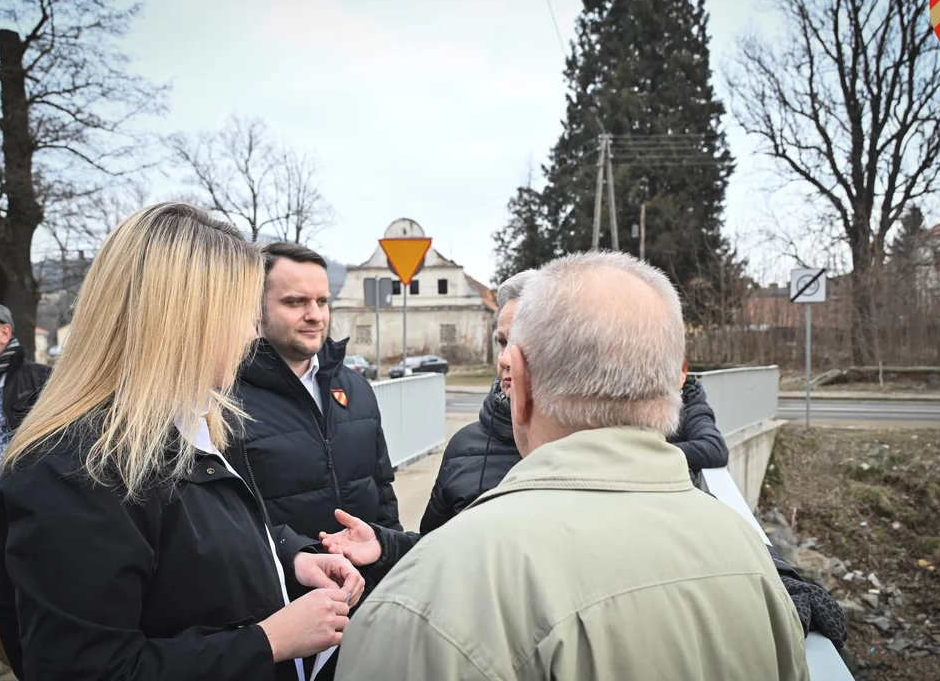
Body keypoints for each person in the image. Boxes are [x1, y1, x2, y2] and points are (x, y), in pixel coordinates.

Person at [333, 250, 809, 680]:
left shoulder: (422, 602)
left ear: (518, 380)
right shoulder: (752, 557)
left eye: (508, 346)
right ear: (670, 382)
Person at [0, 204, 364, 681]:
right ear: (183, 319)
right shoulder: (76, 472)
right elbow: (89, 669)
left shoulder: (196, 427)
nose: (253, 332)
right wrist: (268, 641)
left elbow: (194, 556)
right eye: (242, 313)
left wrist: (291, 559)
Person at [419, 269, 729, 534]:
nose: (506, 359)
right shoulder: (465, 447)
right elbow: (429, 552)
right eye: (503, 342)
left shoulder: (624, 440)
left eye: (521, 345)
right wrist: (387, 547)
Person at [233, 242, 402, 679]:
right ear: (257, 306)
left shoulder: (355, 387)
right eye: (295, 302)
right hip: (284, 612)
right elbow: (230, 517)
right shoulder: (224, 400)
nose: (315, 314)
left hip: (366, 601)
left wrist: (392, 556)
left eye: (322, 301)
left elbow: (381, 485)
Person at [0, 302, 50, 669]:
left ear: (4, 332)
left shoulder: (36, 377)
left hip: (19, 508)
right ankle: (40, 670)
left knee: (45, 599)